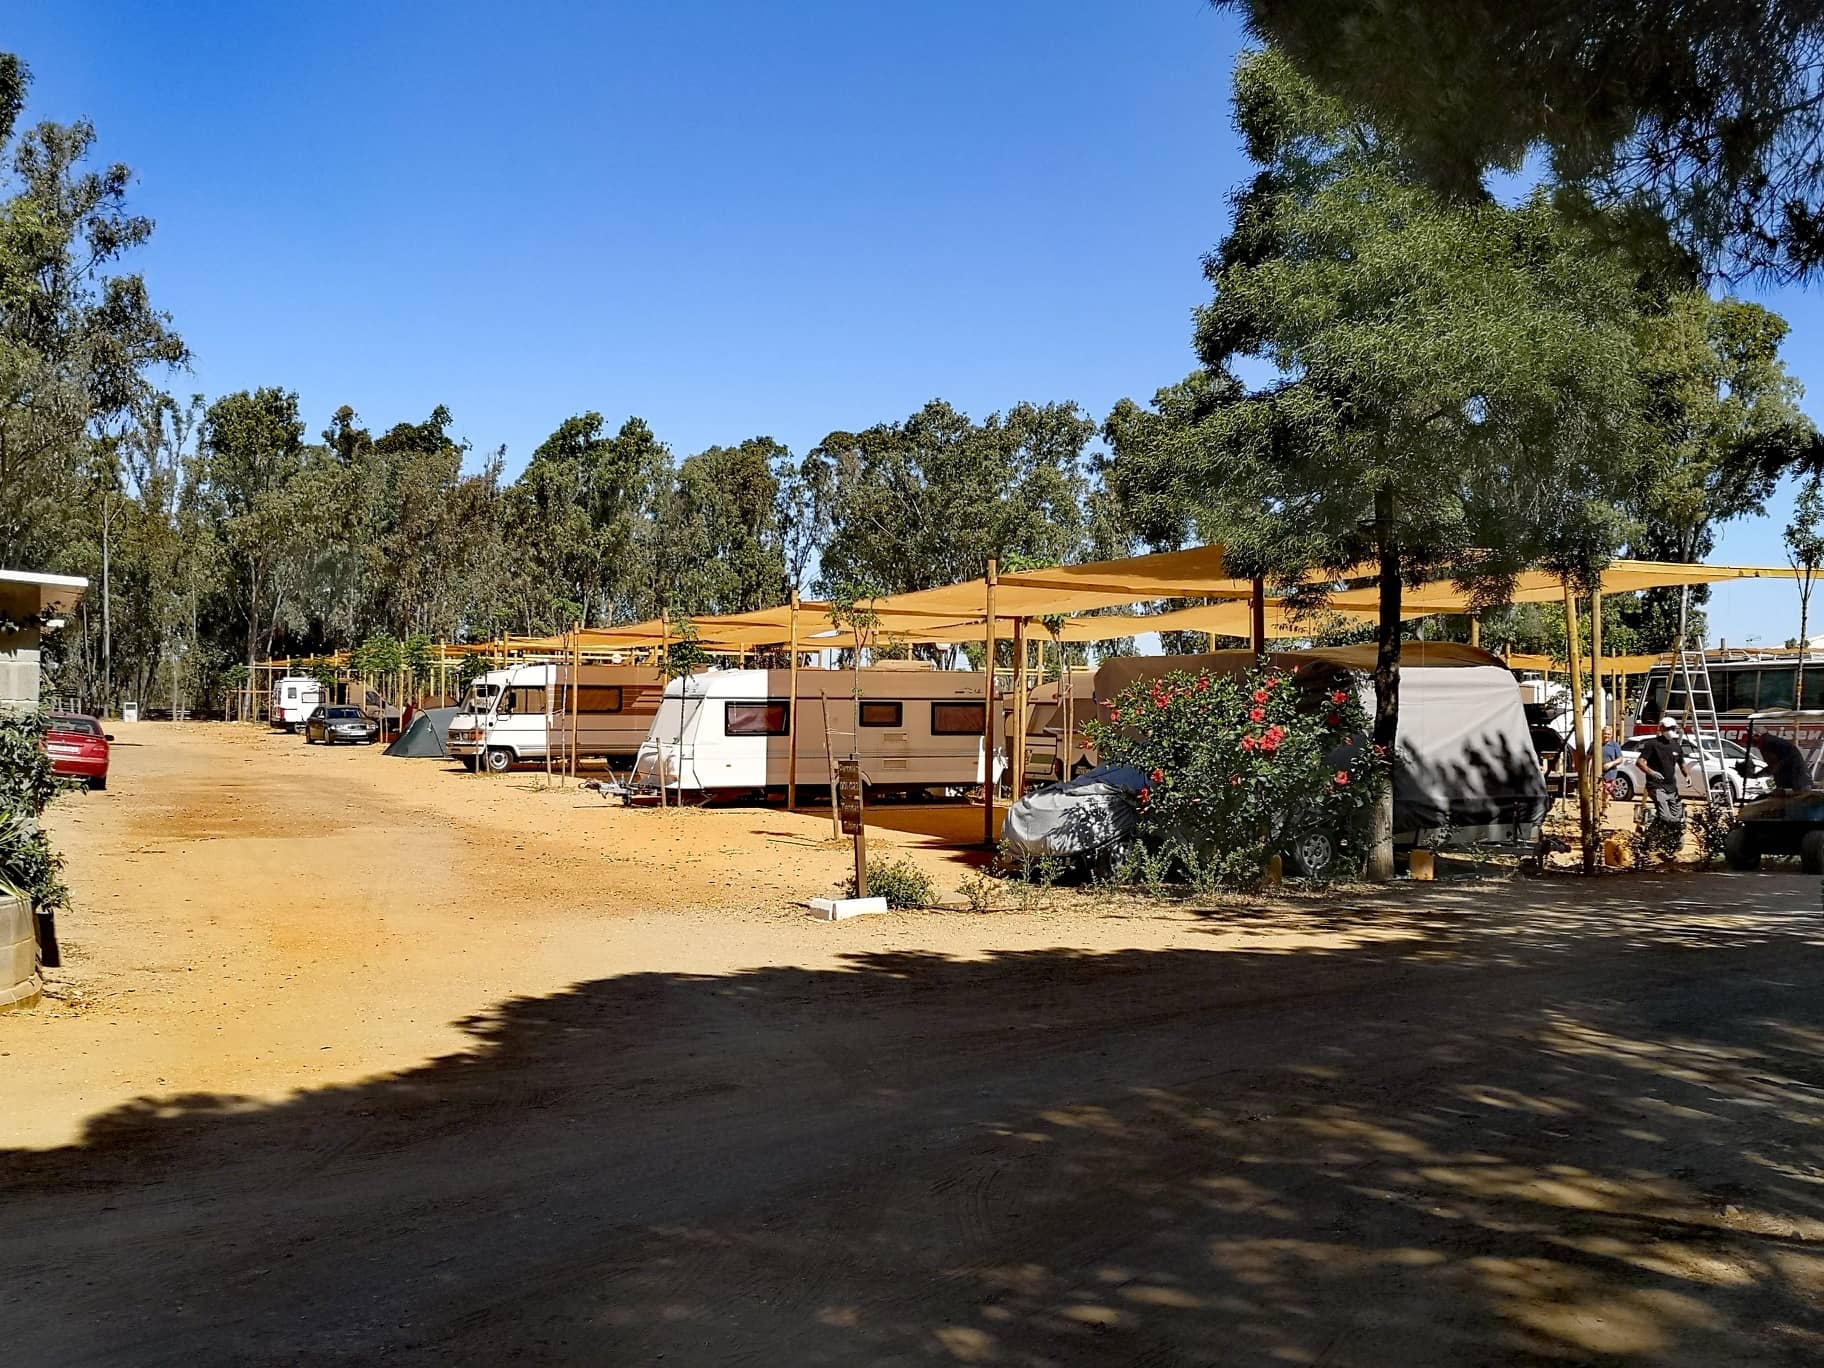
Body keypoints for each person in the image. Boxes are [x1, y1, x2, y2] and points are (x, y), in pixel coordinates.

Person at [1635, 717, 1693, 854]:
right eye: (1667, 729)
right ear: (1661, 728)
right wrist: (1651, 772)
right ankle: (1648, 840)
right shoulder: (1652, 744)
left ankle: (1669, 843)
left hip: (1671, 787)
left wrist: (1687, 775)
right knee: (1665, 816)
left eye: (1672, 728)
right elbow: (1640, 762)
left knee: (1676, 819)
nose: (1670, 731)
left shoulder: (1676, 746)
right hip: (1656, 786)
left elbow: (1682, 762)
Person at [1748, 731, 1814, 794]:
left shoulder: (1767, 744)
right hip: (1799, 780)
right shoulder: (1772, 742)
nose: (1758, 748)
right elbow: (1773, 766)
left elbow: (1773, 767)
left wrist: (1756, 775)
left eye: (1756, 745)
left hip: (1796, 781)